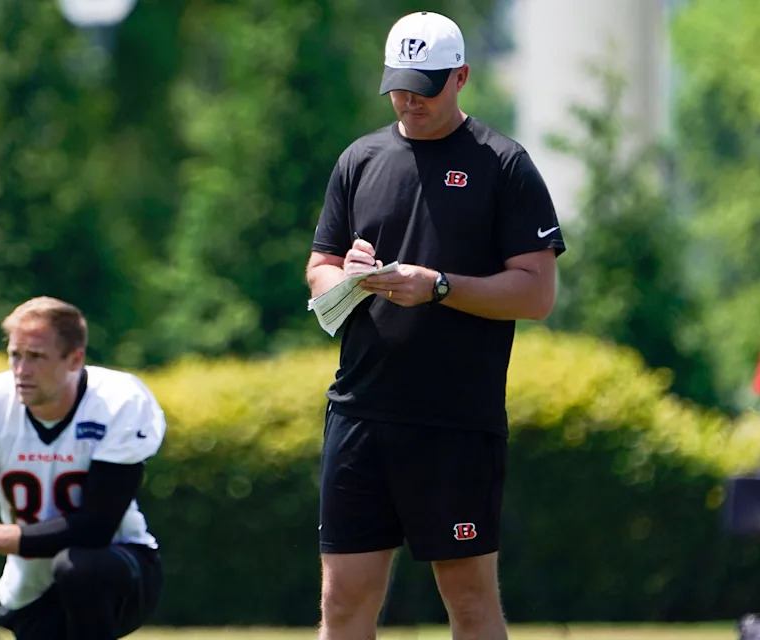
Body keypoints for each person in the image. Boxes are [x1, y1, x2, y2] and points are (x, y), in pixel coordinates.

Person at [305, 11, 566, 640]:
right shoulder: (360, 158)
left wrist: (440, 287)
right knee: (342, 601)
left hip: (456, 419)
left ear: (461, 77)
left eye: (424, 84)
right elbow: (319, 268)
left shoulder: (503, 164)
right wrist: (349, 276)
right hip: (361, 411)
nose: (408, 98)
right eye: (398, 83)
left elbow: (536, 293)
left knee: (469, 598)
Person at [0, 296, 165, 640]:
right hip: (30, 592)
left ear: (75, 359)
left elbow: (95, 528)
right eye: (15, 355)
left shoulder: (118, 402)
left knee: (78, 567)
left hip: (121, 569)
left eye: (36, 357)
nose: (21, 370)